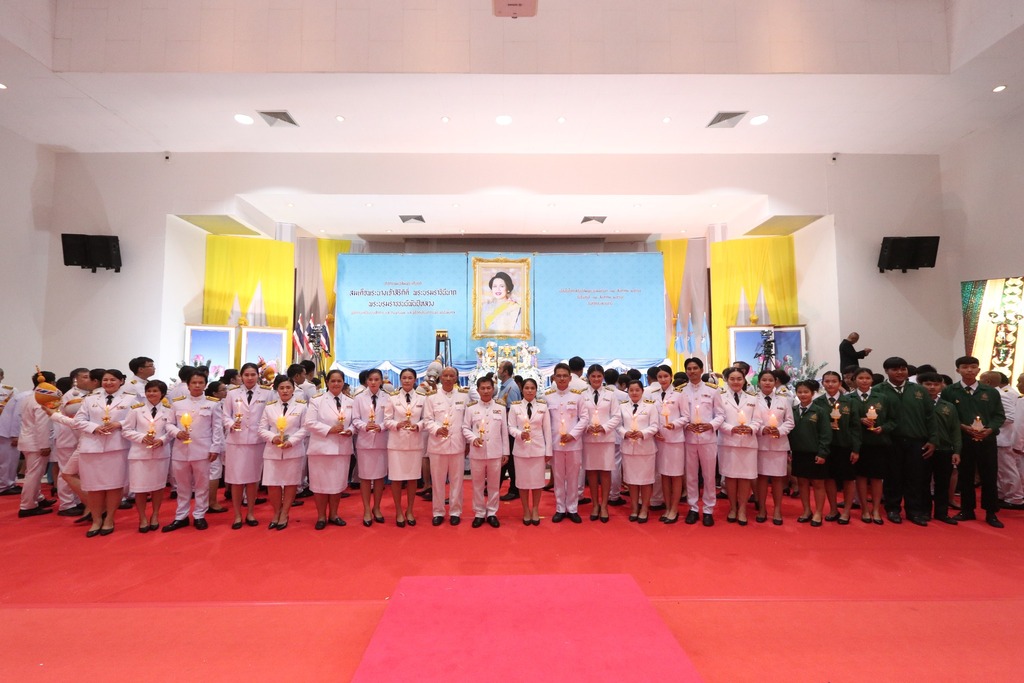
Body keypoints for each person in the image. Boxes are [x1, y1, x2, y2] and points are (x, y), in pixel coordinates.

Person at [942, 356, 1006, 528]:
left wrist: (990, 429)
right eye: (965, 367)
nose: (969, 370)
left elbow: (999, 415)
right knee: (965, 476)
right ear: (958, 370)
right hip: (963, 439)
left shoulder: (991, 392)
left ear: (978, 369)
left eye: (973, 367)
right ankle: (967, 509)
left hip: (987, 439)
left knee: (989, 476)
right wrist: (962, 426)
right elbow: (947, 414)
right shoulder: (950, 391)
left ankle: (991, 512)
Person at [873, 357, 936, 526]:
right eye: (895, 369)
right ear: (886, 371)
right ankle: (893, 509)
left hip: (916, 440)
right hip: (890, 441)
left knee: (915, 477)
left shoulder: (919, 390)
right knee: (892, 477)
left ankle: (914, 511)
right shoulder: (878, 390)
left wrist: (933, 439)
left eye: (903, 369)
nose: (900, 372)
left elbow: (930, 416)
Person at [73, 369, 136, 536]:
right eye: (105, 380)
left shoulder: (131, 399)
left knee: (115, 485)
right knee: (93, 486)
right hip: (92, 447)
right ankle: (96, 520)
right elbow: (78, 420)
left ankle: (109, 518)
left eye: (113, 380)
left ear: (121, 381)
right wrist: (94, 428)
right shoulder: (90, 399)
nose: (109, 383)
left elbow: (136, 419)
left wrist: (119, 424)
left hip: (117, 447)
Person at [163, 370, 224, 532]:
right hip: (181, 450)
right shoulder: (178, 403)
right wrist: (177, 433)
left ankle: (199, 515)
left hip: (203, 450)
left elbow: (217, 428)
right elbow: (169, 424)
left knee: (201, 485)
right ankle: (181, 516)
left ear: (205, 385)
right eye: (194, 383)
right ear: (188, 385)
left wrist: (215, 447)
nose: (197, 386)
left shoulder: (213, 403)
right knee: (182, 486)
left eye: (200, 383)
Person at [222, 362, 272, 529]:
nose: (250, 378)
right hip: (236, 441)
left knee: (253, 480)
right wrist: (231, 424)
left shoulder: (267, 393)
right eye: (246, 375)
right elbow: (225, 415)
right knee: (236, 480)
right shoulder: (232, 393)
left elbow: (270, 415)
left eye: (253, 374)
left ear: (258, 376)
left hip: (256, 442)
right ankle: (237, 515)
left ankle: (250, 512)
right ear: (241, 377)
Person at [303, 369, 353, 530]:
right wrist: (329, 429)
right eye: (333, 381)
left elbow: (355, 421)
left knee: (337, 484)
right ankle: (321, 516)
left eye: (339, 381)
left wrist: (351, 430)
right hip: (321, 449)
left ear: (343, 382)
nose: (336, 384)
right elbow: (309, 422)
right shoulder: (317, 400)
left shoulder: (351, 401)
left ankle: (334, 514)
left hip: (342, 448)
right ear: (327, 382)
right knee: (320, 484)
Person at [121, 380, 173, 532]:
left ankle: (155, 515)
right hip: (139, 454)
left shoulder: (169, 410)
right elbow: (126, 430)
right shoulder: (136, 409)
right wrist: (142, 438)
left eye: (155, 391)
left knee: (158, 487)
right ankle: (142, 517)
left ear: (162, 394)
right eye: (149, 391)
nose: (151, 394)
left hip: (160, 453)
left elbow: (172, 430)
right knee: (140, 488)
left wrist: (162, 440)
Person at [258, 375, 308, 530]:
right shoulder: (269, 407)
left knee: (290, 483)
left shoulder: (301, 406)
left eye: (288, 387)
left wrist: (292, 441)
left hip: (293, 449)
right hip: (273, 450)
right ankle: (276, 512)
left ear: (293, 389)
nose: (285, 391)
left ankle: (285, 513)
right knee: (272, 483)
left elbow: (305, 428)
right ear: (277, 390)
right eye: (282, 388)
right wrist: (272, 438)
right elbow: (261, 429)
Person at [423, 366, 470, 526]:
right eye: (445, 375)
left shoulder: (464, 396)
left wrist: (467, 443)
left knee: (457, 481)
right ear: (440, 378)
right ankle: (438, 511)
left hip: (457, 445)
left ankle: (455, 511)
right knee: (438, 481)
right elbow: (427, 420)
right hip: (438, 445)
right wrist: (437, 429)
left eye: (451, 376)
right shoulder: (432, 397)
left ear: (456, 378)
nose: (448, 378)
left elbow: (467, 421)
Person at [680, 358, 724, 526]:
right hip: (689, 438)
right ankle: (692, 508)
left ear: (701, 369)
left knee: (709, 475)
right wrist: (686, 425)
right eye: (689, 368)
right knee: (691, 475)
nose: (692, 371)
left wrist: (710, 425)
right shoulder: (681, 391)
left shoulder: (713, 390)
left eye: (695, 368)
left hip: (708, 438)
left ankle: (708, 509)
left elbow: (720, 414)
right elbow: (678, 414)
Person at [813, 371, 862, 524]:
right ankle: (833, 509)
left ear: (840, 383)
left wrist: (856, 449)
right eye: (827, 381)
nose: (830, 384)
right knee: (829, 478)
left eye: (834, 381)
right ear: (822, 383)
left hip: (845, 445)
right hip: (826, 447)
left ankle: (846, 511)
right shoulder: (818, 402)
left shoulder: (850, 401)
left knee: (848, 478)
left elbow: (856, 427)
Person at [852, 367, 898, 525]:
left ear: (872, 380)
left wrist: (883, 428)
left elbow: (893, 420)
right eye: (860, 378)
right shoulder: (849, 398)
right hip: (858, 443)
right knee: (861, 477)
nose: (864, 381)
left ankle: (876, 509)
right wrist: (859, 420)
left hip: (878, 442)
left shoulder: (882, 398)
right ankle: (864, 508)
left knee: (877, 478)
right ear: (854, 380)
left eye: (867, 378)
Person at [545, 363, 589, 523]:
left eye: (565, 376)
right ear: (554, 378)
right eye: (559, 376)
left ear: (570, 378)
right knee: (558, 477)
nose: (562, 378)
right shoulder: (547, 397)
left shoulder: (577, 396)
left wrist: (573, 434)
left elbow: (584, 418)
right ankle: (560, 508)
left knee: (573, 477)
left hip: (573, 443)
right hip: (555, 443)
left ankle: (572, 508)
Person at [462, 376, 509, 528]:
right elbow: (465, 428)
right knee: (477, 484)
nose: (486, 391)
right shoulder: (471, 408)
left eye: (488, 388)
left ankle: (492, 512)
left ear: (493, 389)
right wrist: (473, 438)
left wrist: (506, 452)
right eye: (482, 388)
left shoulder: (500, 407)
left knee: (494, 485)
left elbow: (504, 432)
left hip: (495, 452)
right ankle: (479, 512)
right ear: (478, 390)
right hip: (477, 452)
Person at [384, 368, 427, 527]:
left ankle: (409, 510)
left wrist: (418, 426)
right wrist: (397, 424)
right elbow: (387, 420)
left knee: (412, 478)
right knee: (396, 479)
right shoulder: (392, 398)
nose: (407, 380)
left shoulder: (422, 398)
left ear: (415, 380)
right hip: (397, 444)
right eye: (404, 378)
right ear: (400, 380)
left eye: (410, 378)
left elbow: (427, 419)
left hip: (414, 443)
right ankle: (398, 511)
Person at [718, 367, 760, 525]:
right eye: (732, 379)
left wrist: (751, 428)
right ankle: (733, 507)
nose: (736, 382)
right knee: (730, 477)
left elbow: (758, 420)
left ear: (744, 380)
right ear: (727, 380)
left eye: (739, 379)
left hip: (748, 442)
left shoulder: (753, 398)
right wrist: (731, 429)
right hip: (728, 442)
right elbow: (718, 418)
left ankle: (742, 509)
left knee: (745, 477)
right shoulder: (720, 397)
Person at [918, 372, 961, 524]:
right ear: (920, 385)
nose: (932, 387)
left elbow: (955, 430)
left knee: (943, 483)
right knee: (923, 482)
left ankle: (942, 513)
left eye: (936, 384)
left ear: (942, 386)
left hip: (944, 449)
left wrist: (957, 451)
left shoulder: (948, 406)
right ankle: (924, 511)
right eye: (928, 384)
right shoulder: (917, 405)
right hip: (923, 449)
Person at [752, 370, 794, 525]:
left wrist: (780, 431)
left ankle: (777, 510)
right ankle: (762, 509)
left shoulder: (783, 400)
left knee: (778, 479)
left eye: (770, 380)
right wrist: (762, 429)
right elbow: (749, 420)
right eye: (764, 380)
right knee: (762, 478)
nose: (767, 383)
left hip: (779, 444)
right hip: (761, 443)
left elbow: (790, 421)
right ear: (759, 382)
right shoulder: (753, 399)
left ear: (775, 382)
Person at [508, 378, 552, 525]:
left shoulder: (542, 407)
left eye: (532, 388)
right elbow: (510, 427)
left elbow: (547, 430)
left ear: (536, 390)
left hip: (538, 449)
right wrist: (519, 434)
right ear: (522, 390)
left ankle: (535, 509)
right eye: (527, 388)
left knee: (538, 482)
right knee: (522, 482)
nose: (529, 391)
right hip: (521, 450)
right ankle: (526, 509)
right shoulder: (515, 407)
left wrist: (548, 450)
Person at [582, 364, 622, 522]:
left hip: (606, 438)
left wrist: (604, 427)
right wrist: (587, 427)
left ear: (603, 377)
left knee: (605, 472)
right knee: (591, 472)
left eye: (599, 376)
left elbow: (616, 416)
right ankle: (595, 505)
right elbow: (579, 415)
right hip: (589, 438)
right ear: (588, 377)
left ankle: (604, 505)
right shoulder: (582, 395)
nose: (596, 379)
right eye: (593, 376)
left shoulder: (610, 395)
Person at [789, 380, 832, 526]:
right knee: (802, 483)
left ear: (813, 393)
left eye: (806, 392)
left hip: (815, 453)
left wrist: (822, 453)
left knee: (818, 483)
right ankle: (806, 510)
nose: (803, 395)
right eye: (800, 392)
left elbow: (826, 434)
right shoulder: (793, 410)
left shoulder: (820, 411)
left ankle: (818, 512)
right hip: (798, 453)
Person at [17, 371, 58, 518]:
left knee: (34, 473)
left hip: (28, 440)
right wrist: (44, 445)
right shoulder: (42, 400)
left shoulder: (28, 397)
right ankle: (27, 506)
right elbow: (42, 425)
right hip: (36, 443)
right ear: (51, 383)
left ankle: (37, 498)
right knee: (34, 475)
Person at [351, 368, 389, 526]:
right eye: (371, 379)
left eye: (376, 379)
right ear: (366, 381)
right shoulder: (359, 398)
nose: (373, 382)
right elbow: (355, 419)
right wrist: (365, 426)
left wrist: (381, 426)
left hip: (381, 441)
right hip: (365, 442)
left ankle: (377, 508)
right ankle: (366, 509)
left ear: (381, 381)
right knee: (365, 477)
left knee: (380, 477)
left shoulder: (388, 397)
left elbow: (389, 418)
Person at [618, 380, 659, 522]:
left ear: (642, 391)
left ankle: (644, 508)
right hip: (629, 448)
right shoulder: (622, 406)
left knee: (646, 481)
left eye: (637, 390)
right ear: (627, 391)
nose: (634, 393)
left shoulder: (650, 406)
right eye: (631, 390)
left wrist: (643, 433)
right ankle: (634, 508)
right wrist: (625, 433)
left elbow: (655, 426)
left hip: (646, 449)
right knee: (632, 481)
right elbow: (618, 425)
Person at [652, 365, 686, 523]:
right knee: (664, 474)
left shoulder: (679, 394)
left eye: (666, 376)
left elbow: (686, 416)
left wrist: (675, 424)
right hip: (660, 439)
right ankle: (667, 507)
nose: (663, 379)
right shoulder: (653, 395)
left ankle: (674, 508)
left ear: (671, 377)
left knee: (676, 474)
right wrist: (654, 431)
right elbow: (651, 416)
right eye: (660, 377)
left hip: (675, 439)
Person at [496, 360, 522, 501]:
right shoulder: (505, 386)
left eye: (500, 368)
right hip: (504, 428)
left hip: (509, 429)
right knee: (505, 459)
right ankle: (495, 486)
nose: (498, 370)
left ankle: (514, 489)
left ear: (506, 372)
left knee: (510, 460)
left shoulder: (511, 388)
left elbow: (512, 410)